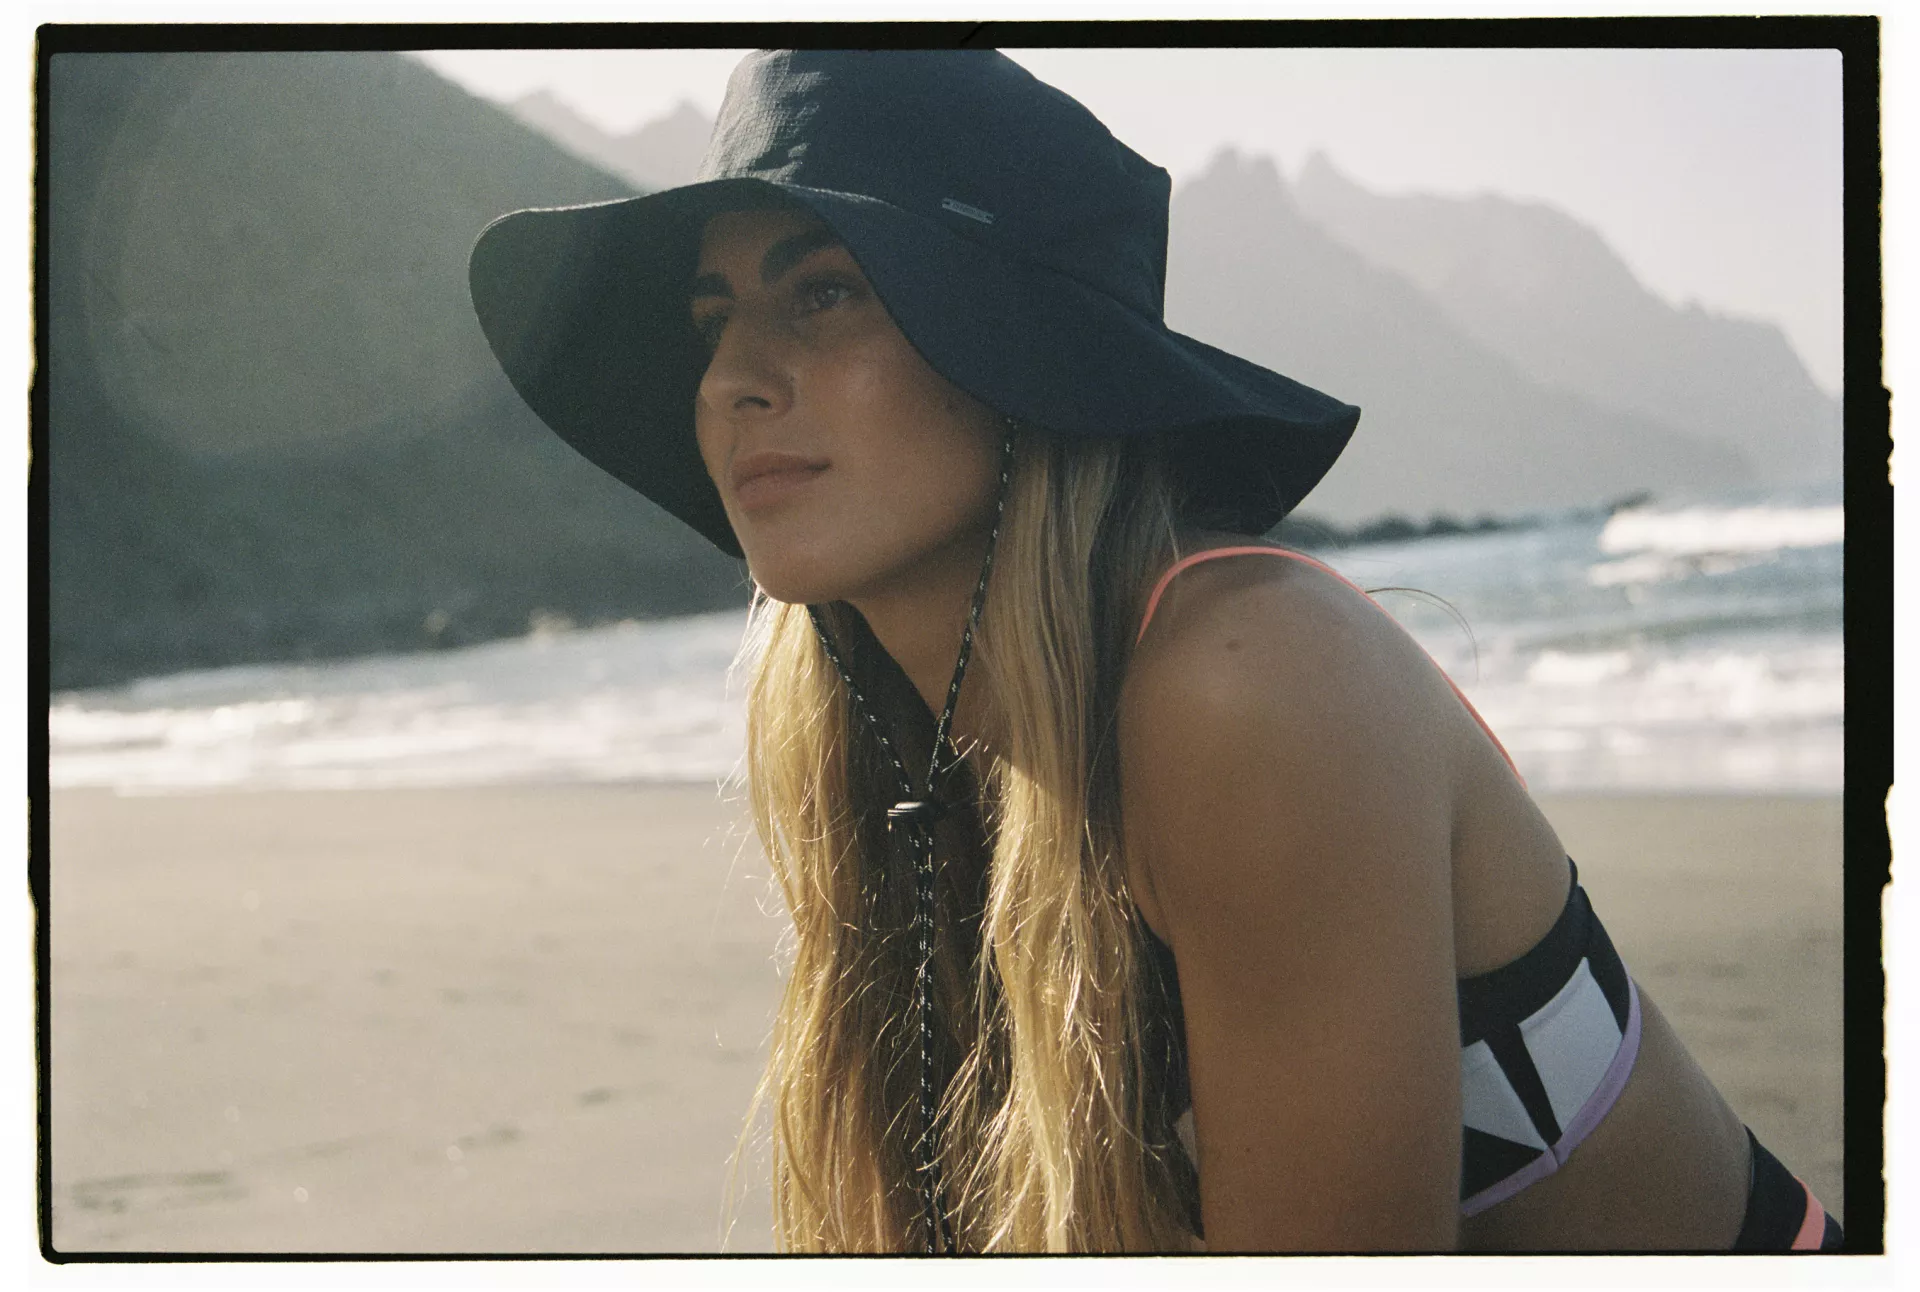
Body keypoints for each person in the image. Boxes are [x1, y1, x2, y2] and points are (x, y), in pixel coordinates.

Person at [468, 49, 1840, 1255]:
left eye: (823, 294)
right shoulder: (875, 736)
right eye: (714, 320)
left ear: (1023, 353)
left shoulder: (1247, 680)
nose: (730, 381)